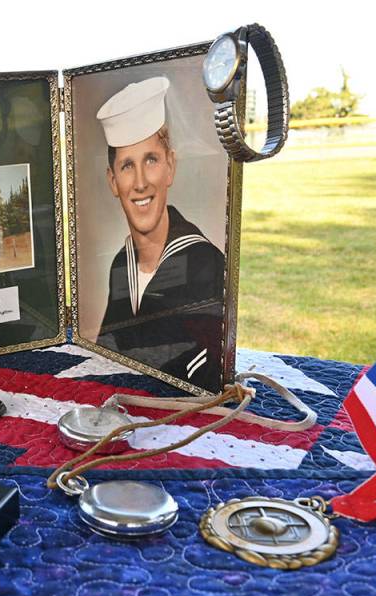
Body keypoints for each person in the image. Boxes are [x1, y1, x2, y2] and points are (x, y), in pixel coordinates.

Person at [95, 76, 224, 390]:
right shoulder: (120, 265)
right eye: (127, 165)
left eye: (151, 160)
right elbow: (105, 356)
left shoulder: (205, 265)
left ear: (170, 167)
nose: (140, 183)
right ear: (113, 182)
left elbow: (204, 373)